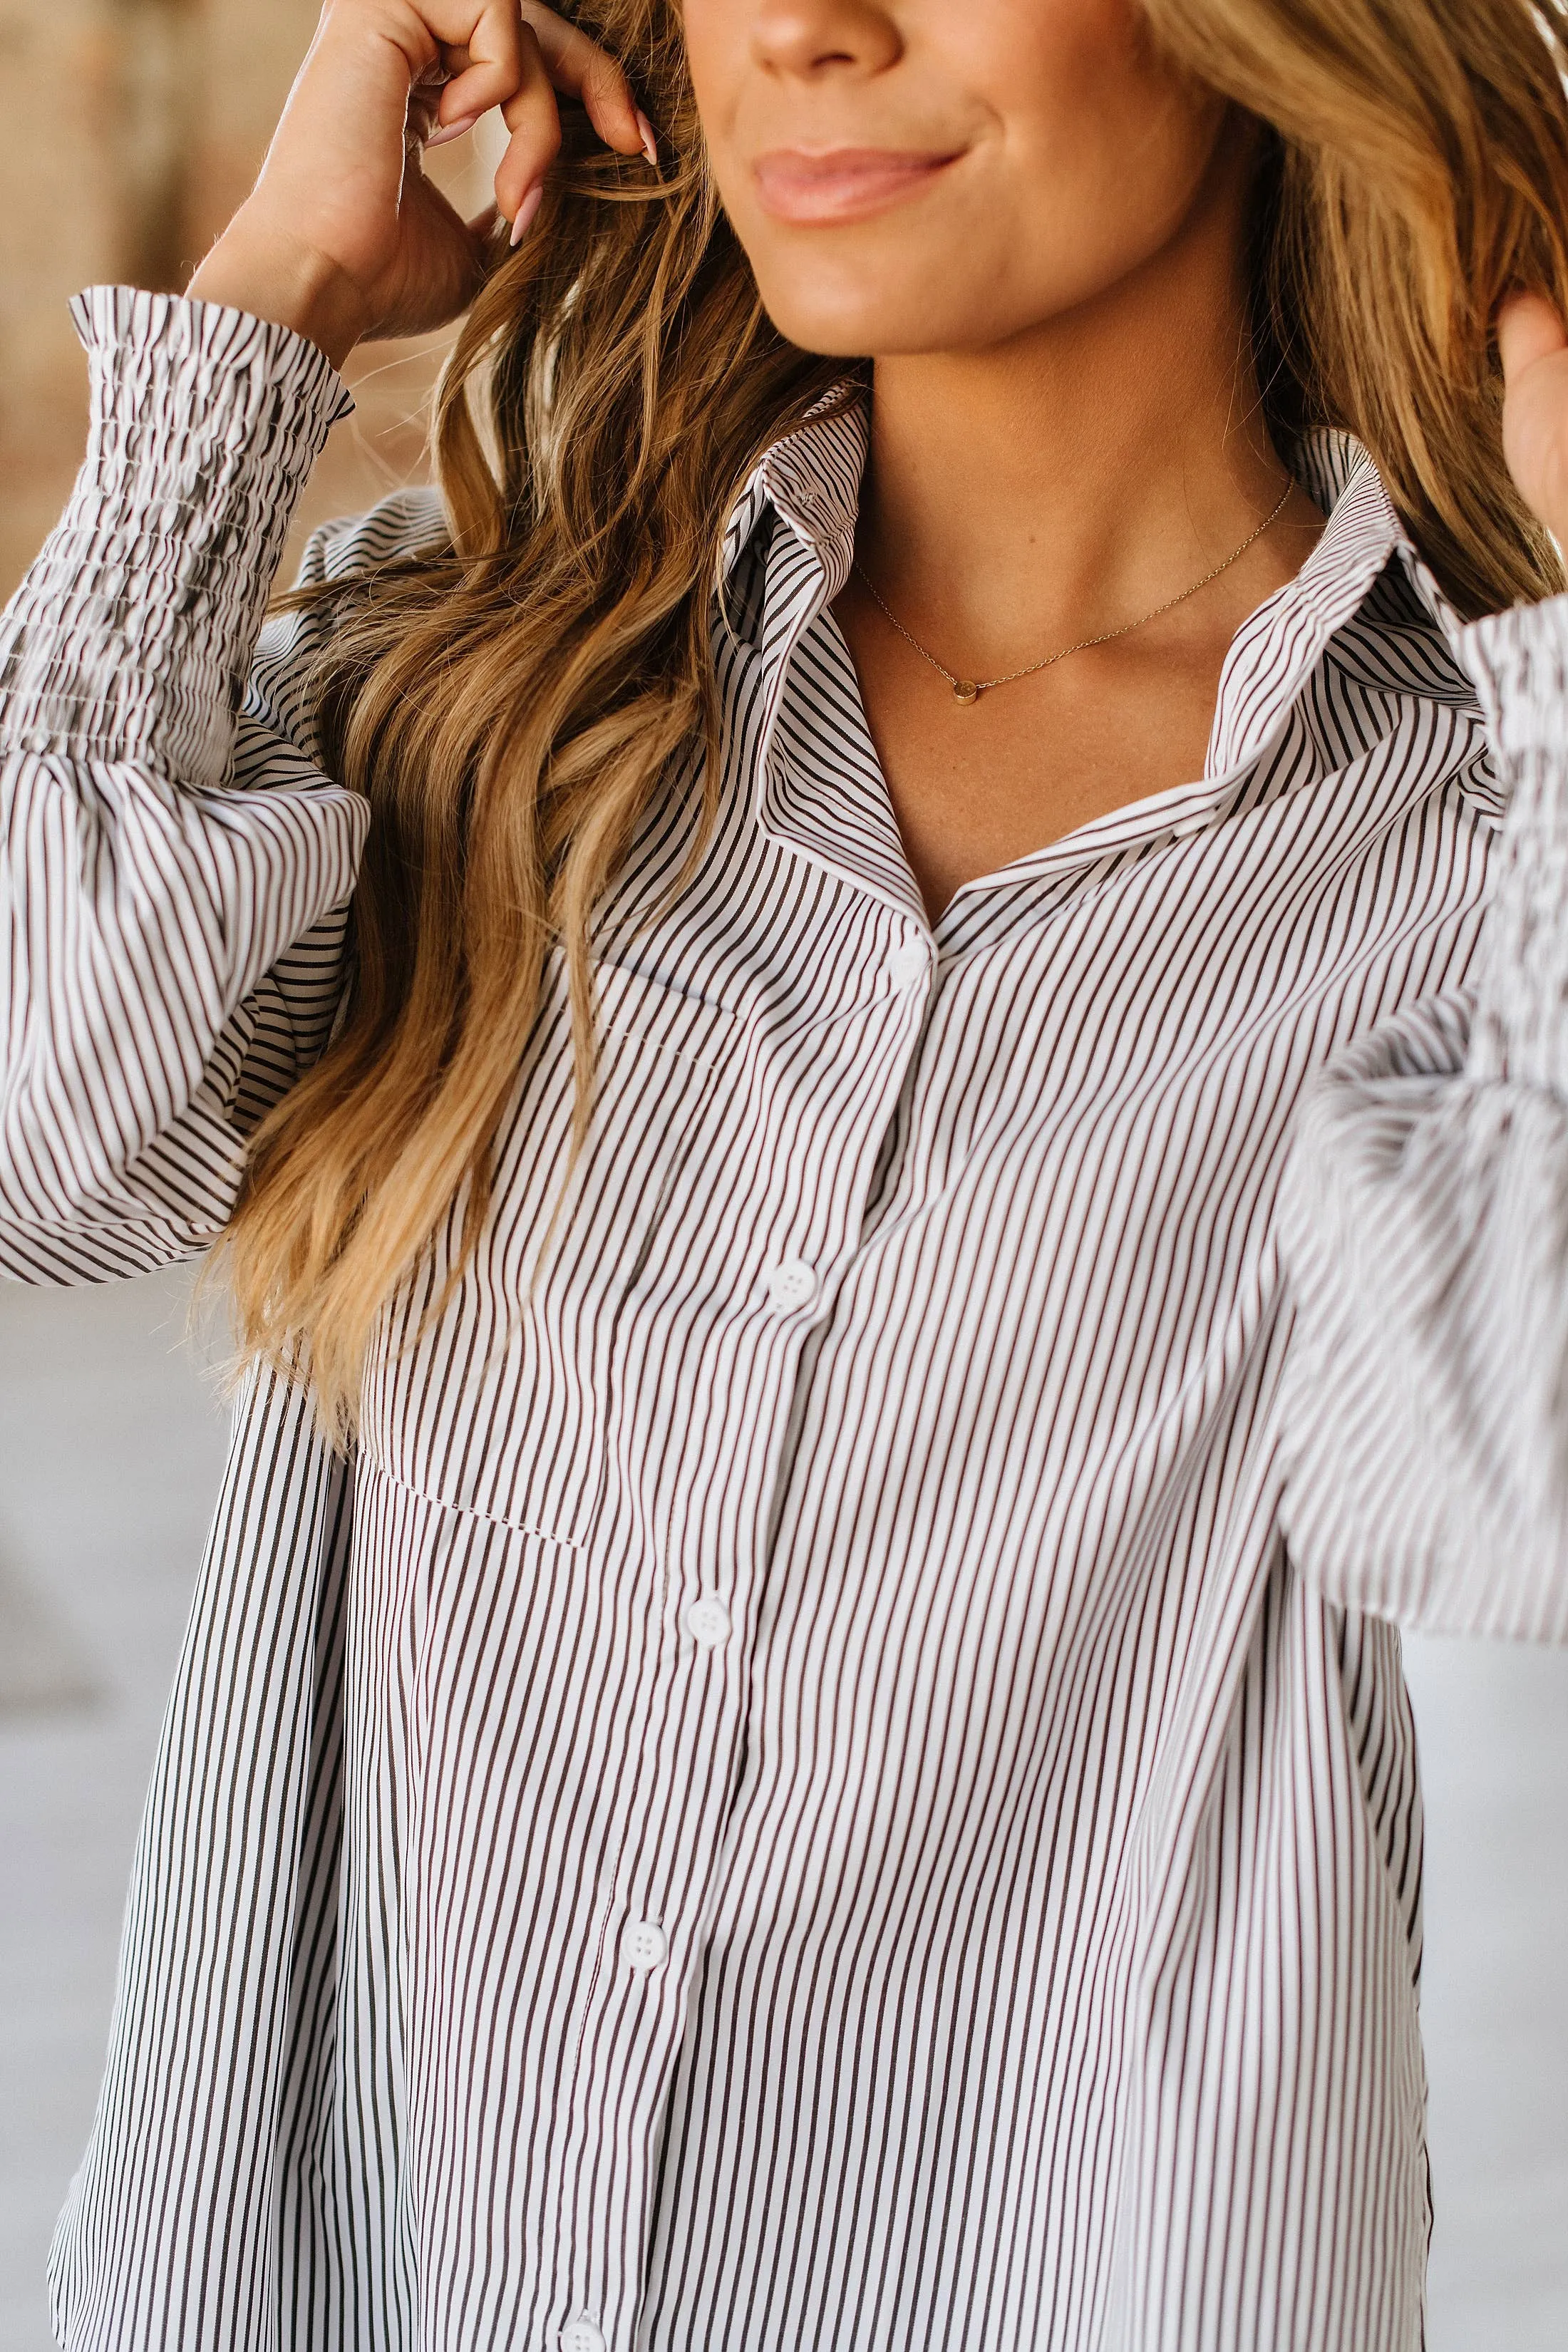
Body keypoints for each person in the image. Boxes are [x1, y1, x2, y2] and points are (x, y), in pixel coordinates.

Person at [5, 0, 1568, 2341]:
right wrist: (271, 299)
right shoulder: (484, 689)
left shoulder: (1465, 820)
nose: (815, 29)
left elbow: (1501, 1477)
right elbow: (33, 1134)